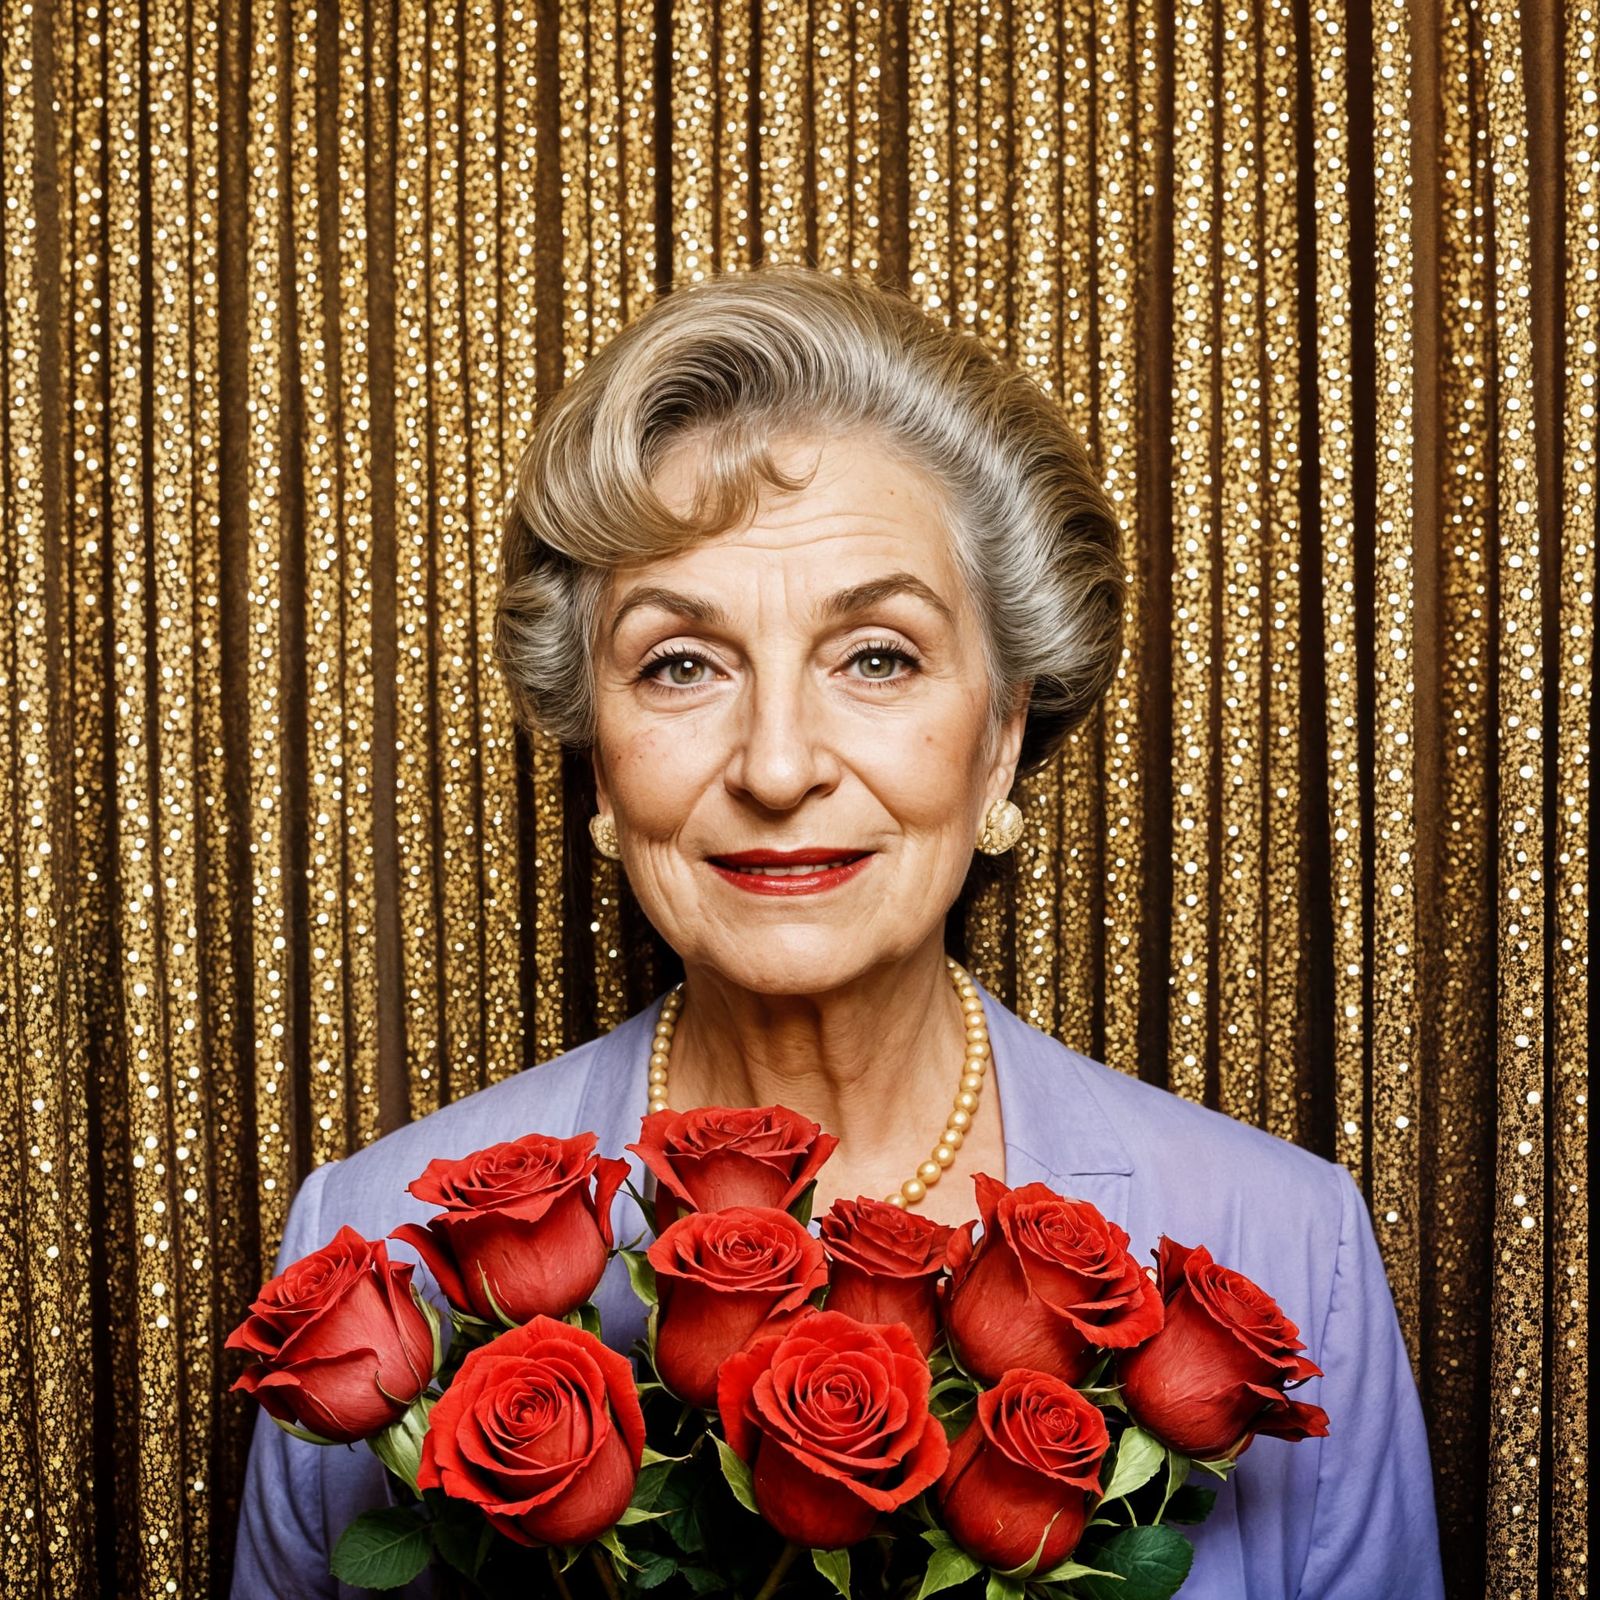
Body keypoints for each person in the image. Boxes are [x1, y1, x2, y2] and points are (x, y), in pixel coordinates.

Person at [232, 266, 1443, 1598]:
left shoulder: (1287, 1248)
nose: (776, 763)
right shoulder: (370, 1257)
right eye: (679, 664)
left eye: (877, 655)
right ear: (594, 756)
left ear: (1001, 740)